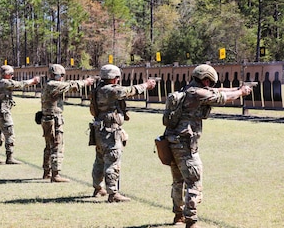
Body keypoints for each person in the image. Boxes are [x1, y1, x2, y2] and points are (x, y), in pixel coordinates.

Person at [163, 64, 252, 228]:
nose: (210, 85)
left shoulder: (188, 89)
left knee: (178, 182)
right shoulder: (197, 93)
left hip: (172, 143)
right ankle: (191, 221)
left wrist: (237, 88)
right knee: (194, 182)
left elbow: (218, 90)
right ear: (205, 80)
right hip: (186, 145)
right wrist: (241, 92)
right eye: (209, 82)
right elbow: (221, 97)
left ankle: (178, 216)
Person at [89, 64, 156, 202]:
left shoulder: (98, 89)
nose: (118, 80)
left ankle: (98, 188)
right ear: (113, 78)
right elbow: (128, 91)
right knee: (113, 160)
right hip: (109, 131)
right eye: (117, 77)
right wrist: (146, 85)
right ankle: (113, 194)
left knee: (100, 160)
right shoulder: (109, 90)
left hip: (100, 130)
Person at [40, 64, 95, 182]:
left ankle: (47, 172)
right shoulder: (52, 84)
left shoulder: (49, 84)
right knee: (56, 146)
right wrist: (85, 82)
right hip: (53, 120)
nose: (63, 78)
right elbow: (70, 86)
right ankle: (55, 174)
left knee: (49, 146)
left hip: (48, 119)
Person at [0, 65, 40, 165]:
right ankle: (9, 157)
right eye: (11, 74)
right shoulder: (4, 82)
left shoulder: (1, 82)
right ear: (7, 74)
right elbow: (19, 84)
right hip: (3, 112)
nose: (12, 76)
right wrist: (32, 81)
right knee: (9, 133)